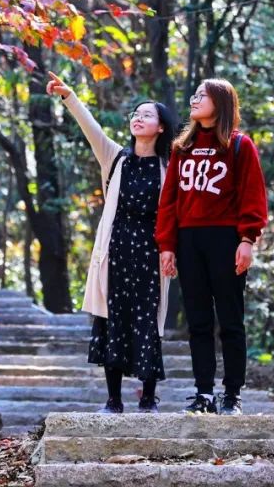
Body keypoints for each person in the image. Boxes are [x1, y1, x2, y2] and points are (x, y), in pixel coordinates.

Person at [46, 71, 175, 413]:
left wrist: (171, 251)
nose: (138, 118)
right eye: (136, 114)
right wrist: (69, 96)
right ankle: (113, 399)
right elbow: (91, 129)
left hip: (150, 253)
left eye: (147, 115)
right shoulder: (116, 158)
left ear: (161, 127)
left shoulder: (169, 167)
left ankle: (148, 398)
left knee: (148, 320)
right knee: (112, 320)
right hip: (115, 250)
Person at [156, 78, 268, 416]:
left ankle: (231, 394)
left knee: (231, 321)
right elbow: (169, 201)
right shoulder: (181, 148)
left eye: (201, 96)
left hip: (226, 239)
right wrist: (167, 245)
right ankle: (203, 393)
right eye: (194, 96)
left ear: (220, 102)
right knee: (199, 321)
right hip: (189, 240)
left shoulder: (239, 145)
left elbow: (253, 196)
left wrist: (247, 239)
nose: (194, 100)